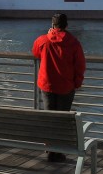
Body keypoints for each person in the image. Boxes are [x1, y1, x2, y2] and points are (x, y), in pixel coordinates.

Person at [31, 13, 86, 162]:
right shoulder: (74, 43)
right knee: (62, 119)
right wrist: (77, 83)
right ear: (66, 26)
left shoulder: (42, 40)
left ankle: (50, 149)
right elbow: (80, 65)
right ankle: (59, 152)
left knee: (50, 118)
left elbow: (35, 52)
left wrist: (49, 35)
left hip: (47, 86)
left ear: (53, 25)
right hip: (66, 87)